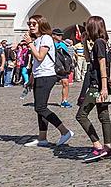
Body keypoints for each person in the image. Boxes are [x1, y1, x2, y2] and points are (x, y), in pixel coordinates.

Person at [22, 15, 74, 148]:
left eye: (34, 23)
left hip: (47, 76)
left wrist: (29, 43)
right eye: (30, 24)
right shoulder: (38, 39)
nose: (31, 26)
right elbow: (36, 63)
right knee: (40, 108)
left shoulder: (46, 38)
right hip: (39, 75)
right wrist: (31, 78)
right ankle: (42, 138)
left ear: (41, 24)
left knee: (40, 107)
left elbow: (39, 56)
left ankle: (65, 131)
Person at [76, 16, 111, 162]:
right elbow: (88, 60)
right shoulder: (103, 42)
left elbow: (102, 65)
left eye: (88, 26)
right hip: (103, 86)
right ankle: (107, 148)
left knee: (81, 115)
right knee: (103, 115)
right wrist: (84, 42)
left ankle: (98, 146)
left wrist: (103, 87)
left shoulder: (99, 43)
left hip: (98, 86)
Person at [52, 29, 72, 108]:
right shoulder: (50, 44)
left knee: (65, 83)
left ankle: (64, 101)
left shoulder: (63, 45)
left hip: (62, 67)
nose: (60, 36)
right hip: (52, 67)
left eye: (61, 35)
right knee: (48, 85)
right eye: (58, 35)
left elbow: (67, 57)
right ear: (53, 35)